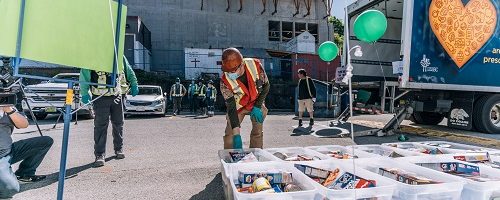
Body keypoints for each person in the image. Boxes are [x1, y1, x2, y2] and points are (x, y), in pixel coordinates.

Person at [80, 56, 139, 167]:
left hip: (117, 95)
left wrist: (134, 83)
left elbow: (128, 70)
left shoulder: (118, 53)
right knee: (100, 126)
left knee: (118, 123)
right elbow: (84, 74)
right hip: (100, 96)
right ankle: (100, 154)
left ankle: (119, 149)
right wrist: (84, 92)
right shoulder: (92, 55)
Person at [220, 48, 270, 149]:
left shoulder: (255, 66)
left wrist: (257, 106)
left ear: (242, 64)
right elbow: (231, 106)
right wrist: (237, 134)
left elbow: (266, 86)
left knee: (257, 132)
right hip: (238, 106)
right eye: (228, 71)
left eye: (233, 71)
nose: (230, 74)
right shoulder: (224, 81)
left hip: (256, 102)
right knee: (230, 133)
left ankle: (255, 155)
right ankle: (230, 158)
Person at [0, 106, 53, 198]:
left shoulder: (7, 102)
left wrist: (9, 111)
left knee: (45, 142)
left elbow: (24, 124)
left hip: (8, 151)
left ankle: (24, 174)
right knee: (10, 189)